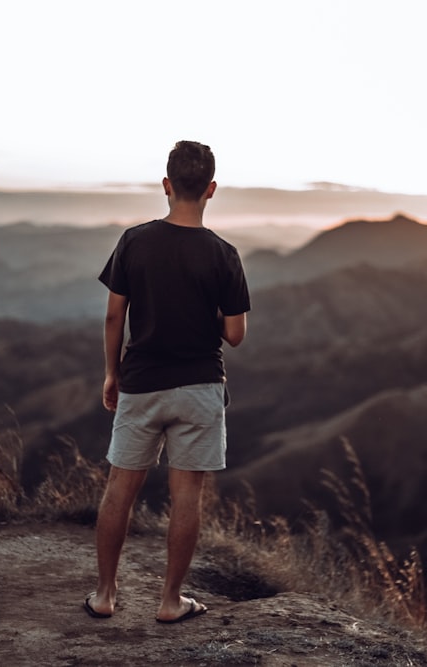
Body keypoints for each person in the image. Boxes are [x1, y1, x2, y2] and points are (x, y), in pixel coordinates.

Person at [84, 140, 250, 624]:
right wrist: (208, 311)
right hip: (199, 387)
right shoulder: (224, 254)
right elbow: (236, 335)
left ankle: (105, 595)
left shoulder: (134, 241)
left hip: (142, 382)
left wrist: (112, 373)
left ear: (166, 185)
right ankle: (170, 601)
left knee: (120, 489)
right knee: (187, 497)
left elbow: (115, 316)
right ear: (212, 190)